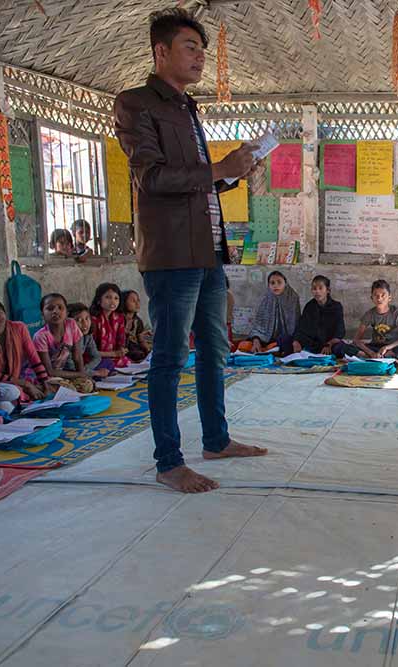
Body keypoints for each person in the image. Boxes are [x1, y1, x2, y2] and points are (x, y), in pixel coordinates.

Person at [114, 7, 266, 492]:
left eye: (203, 49)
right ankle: (168, 461)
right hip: (172, 255)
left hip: (207, 251)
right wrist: (219, 169)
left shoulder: (187, 107)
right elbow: (152, 178)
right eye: (190, 47)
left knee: (215, 350)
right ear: (161, 51)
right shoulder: (135, 104)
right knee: (169, 356)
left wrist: (232, 174)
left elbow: (196, 186)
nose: (201, 57)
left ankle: (216, 439)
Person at [0, 295, 50, 404]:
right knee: (12, 392)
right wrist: (25, 384)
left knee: (53, 385)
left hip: (14, 381)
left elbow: (34, 359)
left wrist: (46, 386)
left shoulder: (19, 328)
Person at [33, 293, 96, 393]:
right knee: (67, 389)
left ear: (66, 312)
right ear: (42, 315)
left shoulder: (71, 324)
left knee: (86, 386)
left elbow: (77, 357)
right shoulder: (40, 336)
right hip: (43, 377)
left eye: (60, 308)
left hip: (62, 374)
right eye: (50, 308)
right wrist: (80, 374)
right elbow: (49, 371)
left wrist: (83, 377)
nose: (55, 311)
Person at [341, 280, 398, 360]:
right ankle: (374, 356)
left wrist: (387, 347)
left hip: (392, 347)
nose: (379, 298)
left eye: (383, 295)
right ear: (371, 298)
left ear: (389, 298)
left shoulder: (397, 313)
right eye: (376, 295)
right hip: (375, 346)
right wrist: (370, 352)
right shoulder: (369, 314)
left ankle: (382, 356)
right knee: (346, 347)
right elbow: (356, 340)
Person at [248, 271, 300, 356]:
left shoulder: (292, 298)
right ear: (268, 286)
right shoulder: (265, 300)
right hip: (266, 340)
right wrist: (256, 341)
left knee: (285, 341)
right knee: (245, 345)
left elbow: (295, 326)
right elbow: (258, 327)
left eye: (279, 282)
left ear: (285, 284)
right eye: (272, 283)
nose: (275, 285)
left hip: (287, 340)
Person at [293, 275, 345, 355]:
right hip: (313, 344)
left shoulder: (336, 307)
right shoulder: (309, 306)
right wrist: (296, 341)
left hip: (330, 344)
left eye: (320, 288)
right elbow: (301, 327)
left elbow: (340, 332)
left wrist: (329, 344)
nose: (317, 291)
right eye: (314, 289)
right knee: (286, 340)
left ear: (328, 290)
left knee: (339, 348)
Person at [89, 283, 129, 368]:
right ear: (99, 300)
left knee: (126, 361)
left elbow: (121, 340)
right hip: (96, 357)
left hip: (113, 357)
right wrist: (113, 354)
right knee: (105, 364)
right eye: (108, 297)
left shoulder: (119, 318)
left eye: (116, 298)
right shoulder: (93, 320)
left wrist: (121, 349)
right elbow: (89, 350)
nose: (113, 301)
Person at [66, 303, 107, 377]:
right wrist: (95, 373)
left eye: (87, 318)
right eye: (78, 320)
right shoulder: (66, 341)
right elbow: (70, 367)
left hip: (81, 369)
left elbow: (96, 356)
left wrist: (87, 369)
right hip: (67, 372)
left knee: (108, 363)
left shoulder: (87, 336)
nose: (85, 323)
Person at [120, 289, 153, 362]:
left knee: (141, 353)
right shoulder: (118, 319)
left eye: (138, 300)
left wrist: (148, 350)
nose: (137, 303)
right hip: (121, 347)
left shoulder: (138, 321)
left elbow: (140, 340)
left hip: (133, 348)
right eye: (133, 301)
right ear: (123, 302)